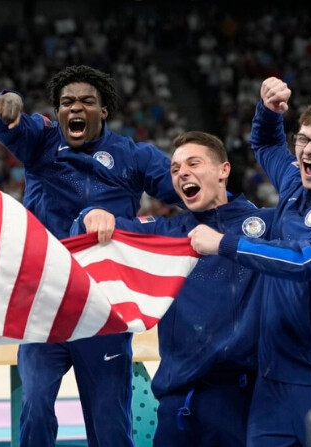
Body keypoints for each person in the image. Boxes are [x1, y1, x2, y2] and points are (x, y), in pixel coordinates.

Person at [0, 65, 179, 447]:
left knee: (110, 427)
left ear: (103, 110)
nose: (76, 107)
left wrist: (145, 224)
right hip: (45, 303)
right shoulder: (41, 140)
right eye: (67, 102)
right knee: (36, 405)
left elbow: (188, 194)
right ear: (57, 112)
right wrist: (6, 103)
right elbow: (5, 123)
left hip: (103, 308)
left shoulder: (133, 156)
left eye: (87, 101)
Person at [189, 77, 311, 446]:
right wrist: (269, 111)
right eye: (303, 139)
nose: (308, 149)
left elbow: (310, 261)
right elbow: (265, 143)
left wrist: (225, 243)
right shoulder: (294, 186)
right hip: (272, 384)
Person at [72, 131, 274, 446]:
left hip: (244, 401)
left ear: (223, 170)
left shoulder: (266, 226)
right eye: (175, 169)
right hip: (178, 405)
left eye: (193, 163)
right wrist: (91, 214)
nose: (182, 173)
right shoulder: (168, 233)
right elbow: (108, 228)